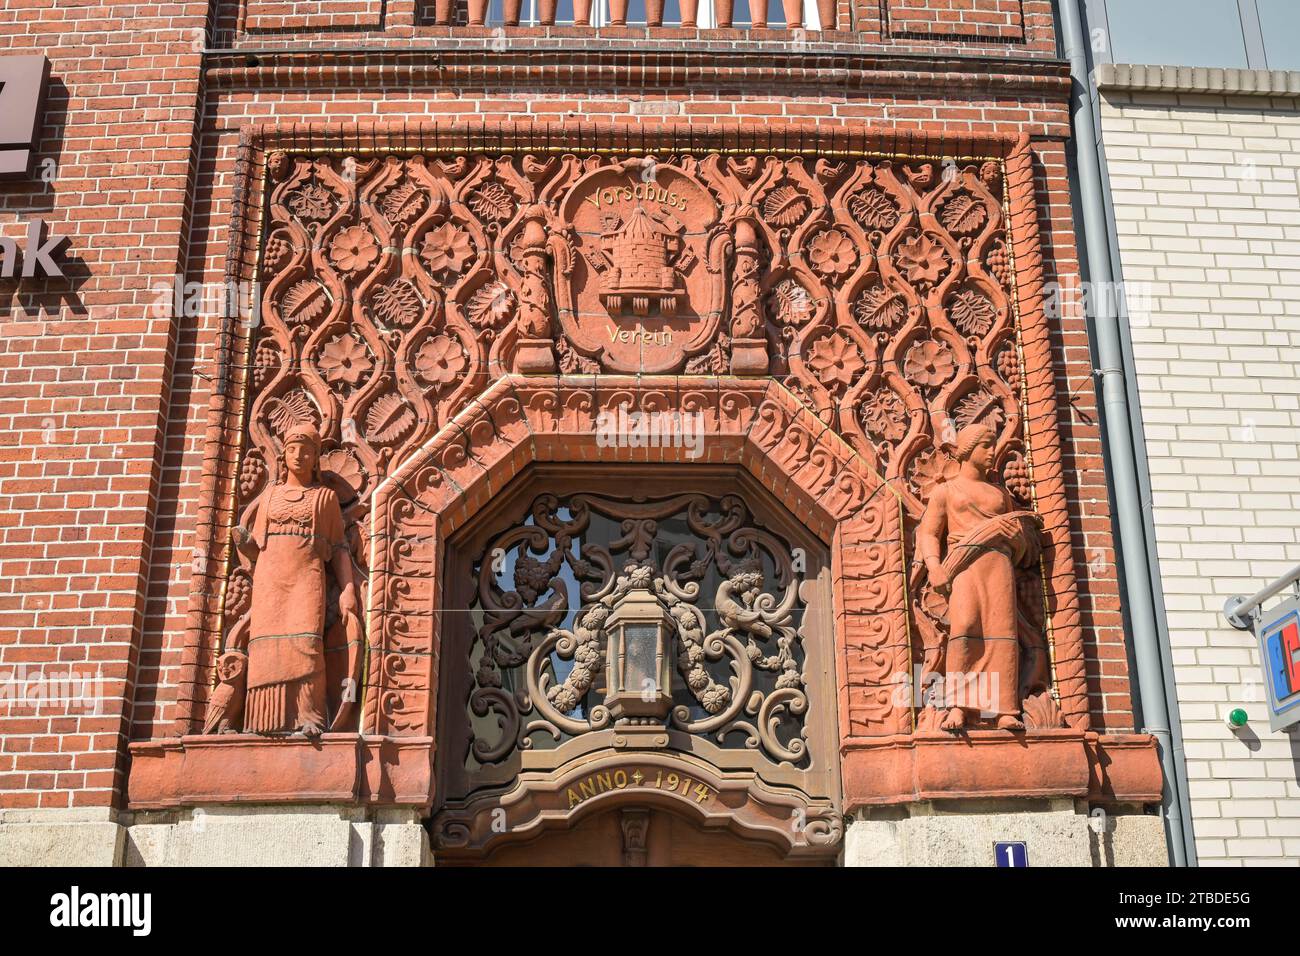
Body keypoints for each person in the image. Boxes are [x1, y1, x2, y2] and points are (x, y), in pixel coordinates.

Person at [234, 422, 357, 736]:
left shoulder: (324, 499)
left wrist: (348, 590)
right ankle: (261, 721)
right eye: (292, 449)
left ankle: (309, 717)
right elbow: (256, 546)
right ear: (284, 455)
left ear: (316, 458)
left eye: (306, 450)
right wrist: (241, 540)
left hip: (307, 576)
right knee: (263, 645)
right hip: (271, 578)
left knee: (306, 643)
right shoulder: (271, 496)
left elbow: (340, 549)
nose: (299, 456)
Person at [915, 422, 1038, 731]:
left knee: (1002, 630)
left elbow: (1021, 540)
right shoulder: (946, 490)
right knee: (966, 626)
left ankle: (1005, 709)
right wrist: (935, 566)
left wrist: (1015, 536)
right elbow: (929, 533)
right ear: (968, 451)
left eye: (994, 445)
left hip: (998, 566)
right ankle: (958, 705)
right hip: (964, 568)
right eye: (986, 446)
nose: (992, 451)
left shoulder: (998, 494)